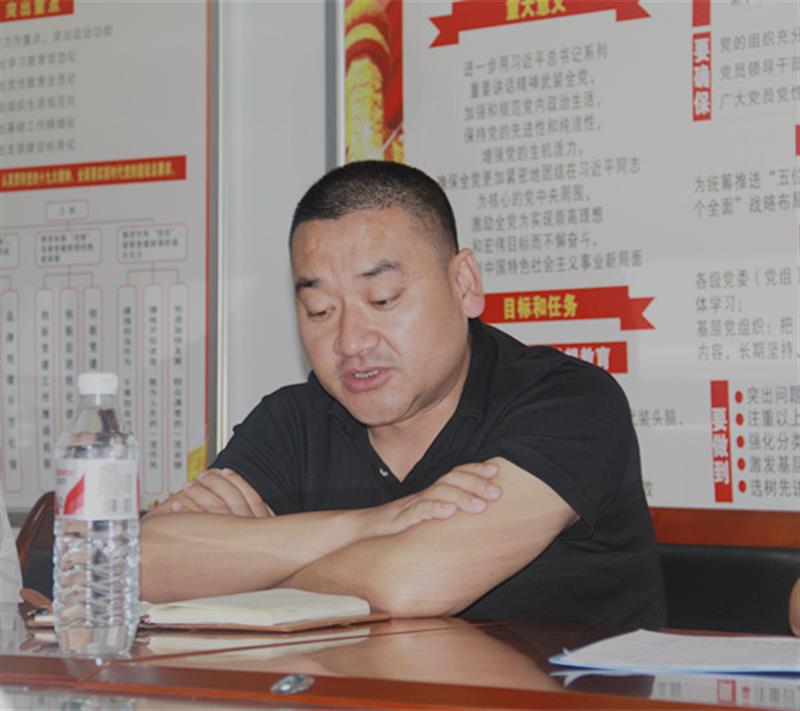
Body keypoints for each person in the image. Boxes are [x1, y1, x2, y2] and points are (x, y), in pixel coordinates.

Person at [142, 161, 666, 627]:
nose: (350, 342)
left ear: (464, 284)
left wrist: (245, 577)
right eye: (320, 311)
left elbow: (407, 585)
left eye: (383, 299)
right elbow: (139, 564)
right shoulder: (293, 422)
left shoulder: (567, 403)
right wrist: (370, 525)